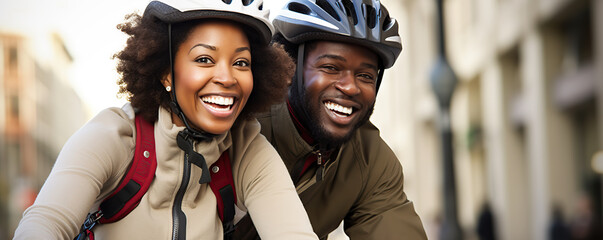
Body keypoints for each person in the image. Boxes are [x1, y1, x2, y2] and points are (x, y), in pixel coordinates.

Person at [13, 0, 318, 239]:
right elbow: (45, 223)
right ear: (165, 72)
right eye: (204, 59)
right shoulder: (114, 136)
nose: (227, 77)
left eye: (241, 62)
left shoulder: (248, 149)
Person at [234, 0, 427, 239]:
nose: (350, 87)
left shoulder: (370, 160)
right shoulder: (240, 121)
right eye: (330, 67)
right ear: (290, 67)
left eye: (365, 76)